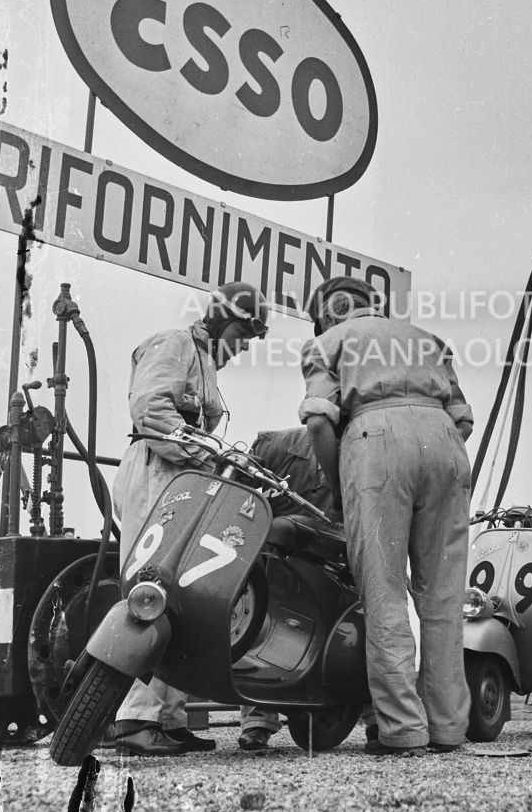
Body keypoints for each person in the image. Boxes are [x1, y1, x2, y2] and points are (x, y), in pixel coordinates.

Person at [299, 276, 473, 757]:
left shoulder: (328, 341)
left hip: (373, 439)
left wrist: (342, 488)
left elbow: (319, 422)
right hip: (444, 439)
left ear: (328, 314)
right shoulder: (427, 339)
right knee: (443, 598)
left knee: (384, 593)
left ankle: (402, 729)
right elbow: (463, 419)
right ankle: (448, 727)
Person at [111, 282, 269, 757]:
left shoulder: (207, 366)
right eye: (243, 333)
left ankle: (168, 719)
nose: (243, 346)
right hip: (156, 470)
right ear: (221, 318)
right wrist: (204, 453)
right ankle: (136, 718)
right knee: (154, 587)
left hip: (182, 477)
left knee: (186, 594)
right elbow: (150, 408)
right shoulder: (175, 343)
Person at [234, 426, 337, 751]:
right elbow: (238, 493)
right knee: (258, 622)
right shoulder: (274, 446)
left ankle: (372, 712)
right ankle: (257, 720)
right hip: (274, 560)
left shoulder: (363, 452)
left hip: (332, 562)